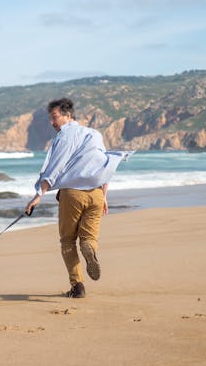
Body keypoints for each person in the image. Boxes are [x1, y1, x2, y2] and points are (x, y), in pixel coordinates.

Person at [25, 97, 132, 298]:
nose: (52, 122)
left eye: (54, 117)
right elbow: (104, 163)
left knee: (67, 241)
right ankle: (89, 249)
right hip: (97, 194)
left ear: (68, 115)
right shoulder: (94, 134)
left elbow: (53, 168)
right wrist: (104, 195)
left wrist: (37, 196)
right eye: (50, 118)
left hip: (73, 194)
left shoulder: (65, 136)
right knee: (88, 238)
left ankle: (78, 287)